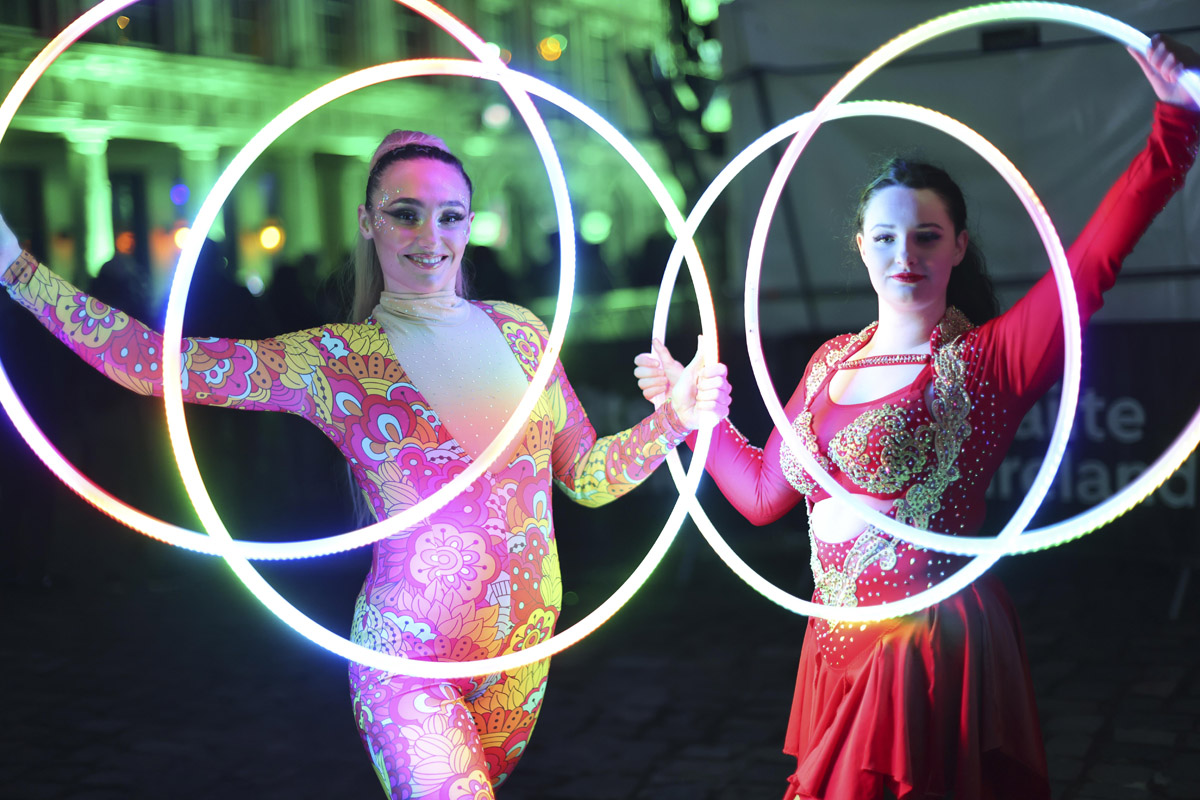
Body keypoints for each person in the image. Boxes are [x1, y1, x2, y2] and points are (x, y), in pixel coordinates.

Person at [0, 131, 731, 798]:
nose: (430, 236)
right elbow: (156, 367)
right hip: (407, 659)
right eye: (406, 213)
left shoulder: (523, 334)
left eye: (450, 216)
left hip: (524, 658)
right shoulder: (336, 360)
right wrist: (18, 270)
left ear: (469, 225)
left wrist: (673, 421)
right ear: (368, 221)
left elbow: (588, 477)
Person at [634, 36, 1199, 800]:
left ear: (958, 246)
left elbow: (1096, 257)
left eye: (928, 236)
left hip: (923, 643)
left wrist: (1175, 121)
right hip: (831, 642)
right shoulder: (831, 363)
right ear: (861, 247)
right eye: (888, 237)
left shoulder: (987, 361)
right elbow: (766, 494)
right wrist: (694, 415)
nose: (906, 254)